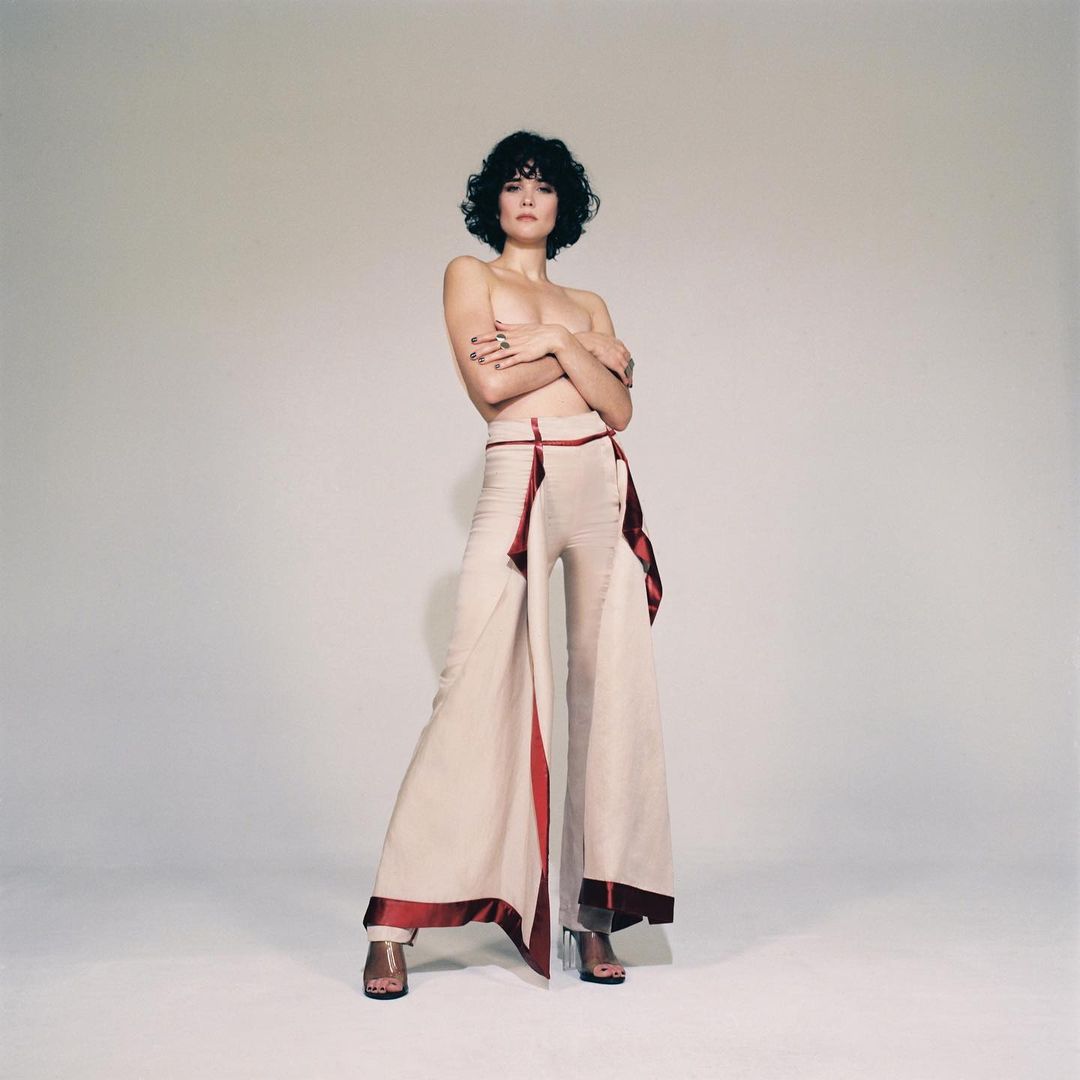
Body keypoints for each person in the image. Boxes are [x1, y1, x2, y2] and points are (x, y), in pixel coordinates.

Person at [362, 130, 674, 999]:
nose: (528, 198)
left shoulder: (587, 301)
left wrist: (551, 343)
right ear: (493, 201)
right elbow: (490, 388)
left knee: (606, 697)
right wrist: (581, 349)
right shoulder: (470, 275)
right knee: (471, 684)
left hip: (598, 481)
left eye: (543, 186)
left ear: (563, 204)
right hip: (521, 470)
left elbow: (618, 409)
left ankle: (589, 912)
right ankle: (392, 923)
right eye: (513, 184)